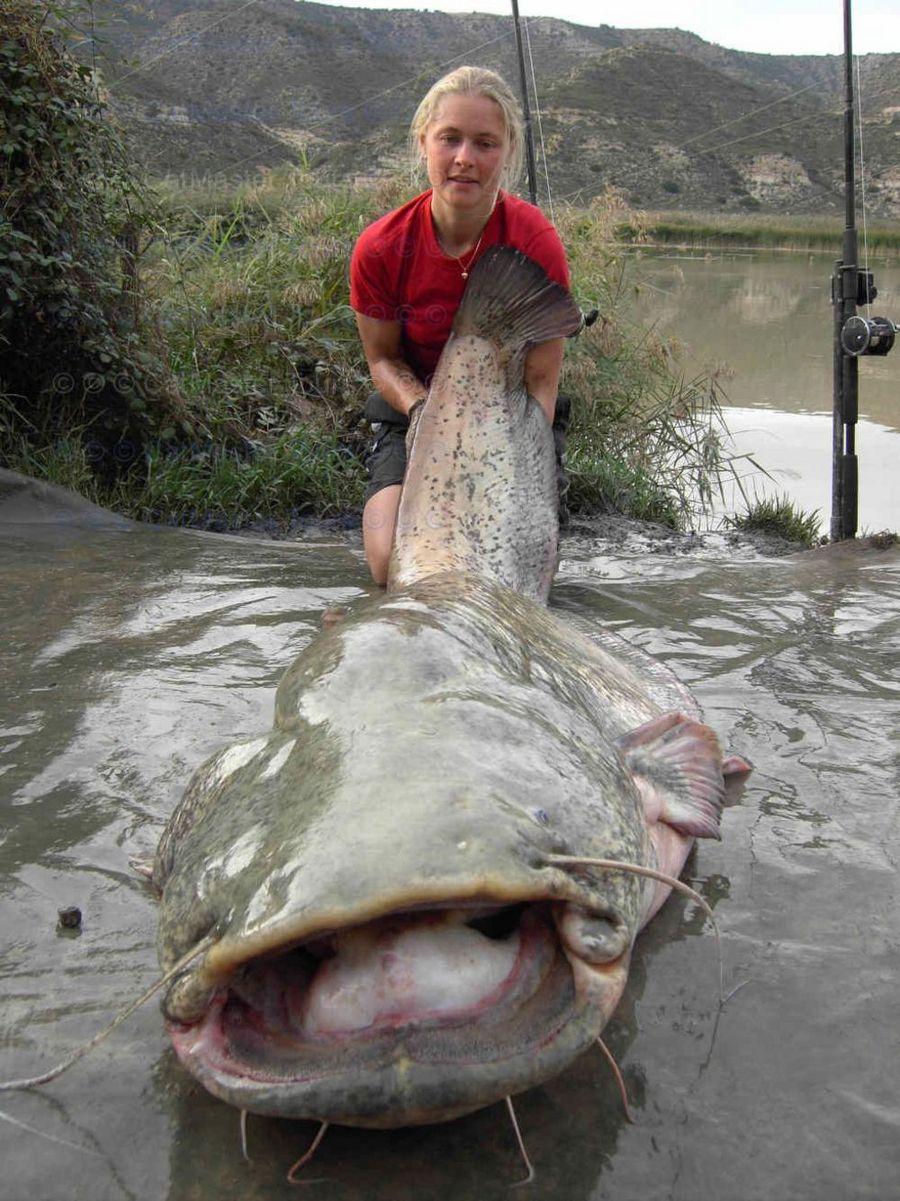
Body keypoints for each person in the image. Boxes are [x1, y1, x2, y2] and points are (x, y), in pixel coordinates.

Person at [350, 65, 572, 586]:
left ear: (507, 151)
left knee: (512, 574)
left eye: (485, 143)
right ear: (423, 142)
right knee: (392, 567)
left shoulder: (535, 241)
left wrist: (511, 465)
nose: (464, 159)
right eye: (449, 139)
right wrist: (426, 413)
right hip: (414, 411)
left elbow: (541, 380)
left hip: (509, 413)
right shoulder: (381, 247)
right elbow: (382, 359)